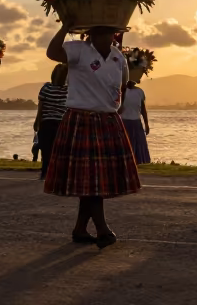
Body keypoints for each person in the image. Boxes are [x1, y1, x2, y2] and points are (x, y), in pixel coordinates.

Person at [44, 25, 141, 249]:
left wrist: (116, 109)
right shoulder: (78, 50)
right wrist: (64, 27)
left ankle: (80, 229)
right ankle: (102, 229)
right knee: (92, 180)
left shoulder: (119, 57)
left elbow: (122, 88)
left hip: (107, 119)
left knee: (92, 180)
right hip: (82, 118)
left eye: (111, 33)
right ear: (92, 34)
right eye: (103, 33)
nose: (109, 37)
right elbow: (52, 53)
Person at [34, 64, 68, 179]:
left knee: (46, 150)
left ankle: (44, 173)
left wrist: (37, 121)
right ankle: (58, 174)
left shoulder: (46, 88)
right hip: (61, 124)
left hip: (46, 122)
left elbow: (41, 107)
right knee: (59, 150)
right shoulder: (67, 90)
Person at [121, 75, 151, 166]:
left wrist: (146, 124)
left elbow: (143, 109)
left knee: (138, 144)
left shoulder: (139, 92)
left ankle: (139, 161)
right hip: (124, 122)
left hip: (136, 122)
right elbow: (118, 109)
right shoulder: (121, 92)